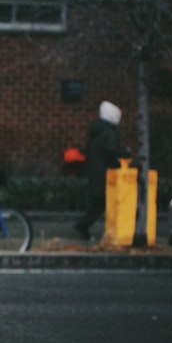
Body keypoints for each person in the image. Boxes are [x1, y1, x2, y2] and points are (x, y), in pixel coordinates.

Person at [74, 100, 128, 241]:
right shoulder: (109, 133)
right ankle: (85, 226)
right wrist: (123, 156)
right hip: (106, 174)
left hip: (96, 171)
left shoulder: (97, 131)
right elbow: (112, 150)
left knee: (99, 203)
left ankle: (84, 226)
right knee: (103, 203)